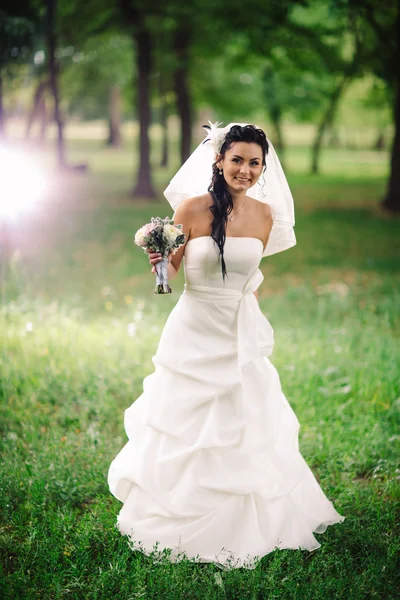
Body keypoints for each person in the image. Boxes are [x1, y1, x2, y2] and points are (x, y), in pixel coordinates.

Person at [107, 123, 345, 570]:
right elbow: (170, 278)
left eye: (255, 162)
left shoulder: (265, 215)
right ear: (219, 160)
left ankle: (247, 519)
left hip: (239, 331)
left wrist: (253, 329)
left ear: (263, 167)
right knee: (188, 424)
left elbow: (249, 275)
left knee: (245, 419)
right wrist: (159, 262)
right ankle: (181, 510)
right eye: (237, 159)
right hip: (195, 330)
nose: (245, 170)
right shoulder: (192, 209)